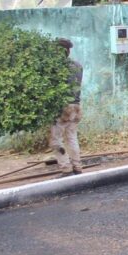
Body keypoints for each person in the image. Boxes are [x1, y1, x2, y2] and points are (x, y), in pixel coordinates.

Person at [51, 38, 84, 176]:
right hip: (76, 106)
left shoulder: (55, 67)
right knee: (72, 137)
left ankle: (66, 168)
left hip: (63, 107)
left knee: (55, 140)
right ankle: (77, 167)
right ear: (68, 51)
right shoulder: (77, 65)